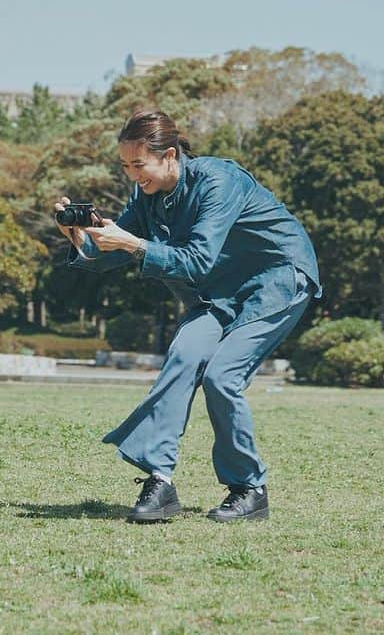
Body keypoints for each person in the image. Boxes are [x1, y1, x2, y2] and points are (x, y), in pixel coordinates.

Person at [56, 111, 320, 523]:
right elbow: (113, 253)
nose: (132, 175)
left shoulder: (219, 181)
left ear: (170, 156)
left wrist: (133, 243)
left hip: (276, 280)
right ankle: (160, 482)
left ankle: (250, 488)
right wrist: (83, 239)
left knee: (222, 376)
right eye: (126, 166)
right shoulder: (147, 196)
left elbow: (195, 261)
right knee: (181, 359)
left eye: (138, 165)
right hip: (219, 294)